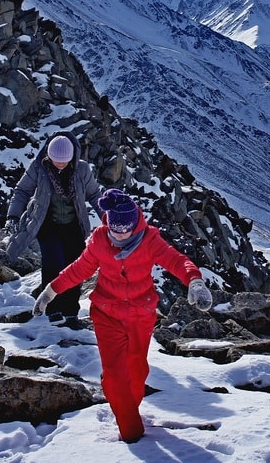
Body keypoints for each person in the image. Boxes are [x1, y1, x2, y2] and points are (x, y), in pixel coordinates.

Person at [33, 189, 213, 444]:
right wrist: (51, 291)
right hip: (107, 314)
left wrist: (194, 280)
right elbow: (79, 270)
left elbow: (176, 261)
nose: (119, 235)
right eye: (114, 229)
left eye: (124, 230)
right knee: (116, 378)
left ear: (134, 223)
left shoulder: (150, 240)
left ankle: (128, 407)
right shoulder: (99, 240)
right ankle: (131, 432)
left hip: (141, 314)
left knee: (137, 371)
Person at [2, 133, 104, 326]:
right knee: (53, 262)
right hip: (46, 223)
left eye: (64, 161)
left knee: (75, 265)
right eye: (56, 160)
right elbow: (22, 190)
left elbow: (95, 195)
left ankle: (71, 311)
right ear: (48, 156)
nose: (60, 164)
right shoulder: (39, 167)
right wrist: (13, 216)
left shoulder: (81, 169)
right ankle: (52, 309)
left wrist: (108, 219)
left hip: (73, 224)